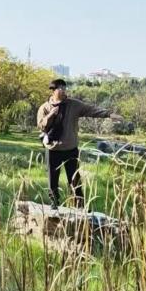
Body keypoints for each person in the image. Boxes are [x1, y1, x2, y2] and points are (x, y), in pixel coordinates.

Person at [36, 78, 120, 210]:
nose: (63, 91)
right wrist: (51, 114)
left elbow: (91, 110)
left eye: (65, 88)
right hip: (53, 149)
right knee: (53, 179)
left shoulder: (73, 105)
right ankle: (54, 203)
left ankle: (80, 205)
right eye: (60, 89)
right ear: (53, 91)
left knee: (74, 179)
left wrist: (109, 114)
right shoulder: (44, 107)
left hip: (70, 148)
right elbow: (41, 126)